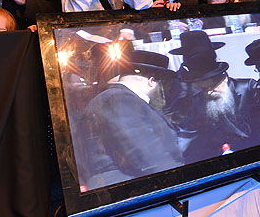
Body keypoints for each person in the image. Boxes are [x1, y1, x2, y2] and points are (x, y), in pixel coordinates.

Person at [167, 31, 260, 163]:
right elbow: (187, 141)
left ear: (224, 78)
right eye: (203, 89)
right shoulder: (196, 103)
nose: (208, 93)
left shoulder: (249, 88)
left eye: (212, 87)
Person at [78, 45, 184, 189]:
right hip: (128, 191)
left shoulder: (117, 98)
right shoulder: (119, 99)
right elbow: (147, 155)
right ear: (151, 81)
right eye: (162, 83)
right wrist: (182, 180)